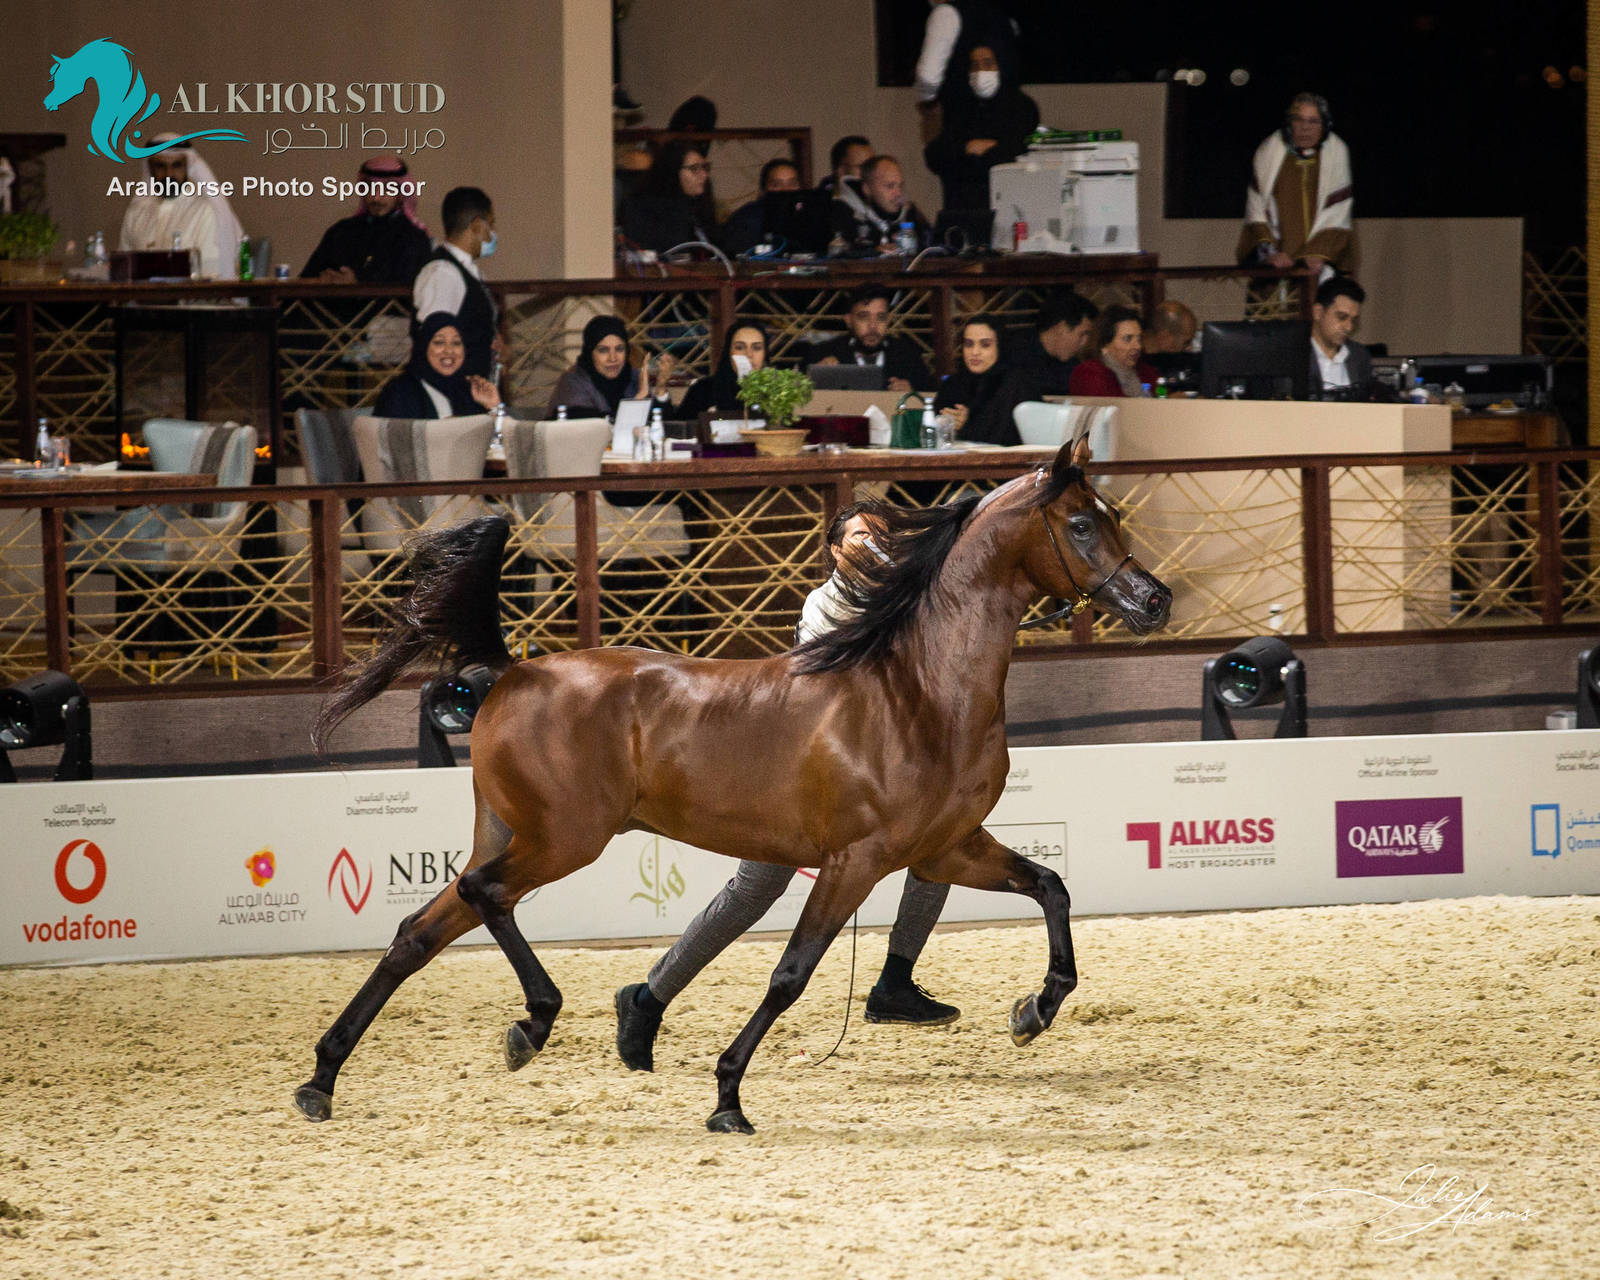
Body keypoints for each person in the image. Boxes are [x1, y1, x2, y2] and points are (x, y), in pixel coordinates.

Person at [613, 499, 961, 1072]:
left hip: (876, 771)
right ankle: (648, 998)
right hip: (796, 776)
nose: (871, 544)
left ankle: (895, 981)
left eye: (879, 536)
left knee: (942, 846)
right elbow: (847, 685)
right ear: (834, 550)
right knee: (754, 890)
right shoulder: (822, 606)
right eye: (857, 537)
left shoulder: (909, 603)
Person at [1237, 93, 1354, 281]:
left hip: (1323, 266)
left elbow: (1338, 213)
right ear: (1289, 123)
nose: (1305, 128)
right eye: (1298, 120)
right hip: (1277, 268)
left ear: (1324, 126)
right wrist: (1270, 253)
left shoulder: (1336, 153)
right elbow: (1256, 211)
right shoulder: (1269, 152)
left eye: (1313, 121)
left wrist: (1319, 252)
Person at [922, 43, 1039, 218]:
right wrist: (967, 148)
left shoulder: (1022, 108)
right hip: (961, 211)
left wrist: (972, 155)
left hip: (1009, 210)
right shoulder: (959, 107)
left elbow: (1017, 153)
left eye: (987, 63)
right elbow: (936, 155)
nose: (980, 71)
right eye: (974, 65)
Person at [116, 135, 244, 279]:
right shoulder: (137, 212)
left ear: (188, 167)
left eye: (176, 165)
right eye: (160, 166)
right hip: (142, 299)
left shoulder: (206, 211)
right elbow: (122, 271)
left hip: (195, 299)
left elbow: (211, 276)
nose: (168, 174)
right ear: (150, 169)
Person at [301, 155, 431, 285]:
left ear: (401, 194)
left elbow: (409, 288)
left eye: (388, 189)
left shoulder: (414, 238)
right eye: (371, 188)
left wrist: (357, 284)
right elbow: (306, 280)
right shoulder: (341, 232)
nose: (376, 198)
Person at [412, 186, 499, 379]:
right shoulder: (443, 274)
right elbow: (434, 343)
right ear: (477, 226)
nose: (492, 233)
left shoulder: (467, 271)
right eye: (490, 225)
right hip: (454, 396)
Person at [914, 0, 1022, 142]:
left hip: (960, 125)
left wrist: (928, 103)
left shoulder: (945, 14)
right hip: (1007, 122)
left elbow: (928, 76)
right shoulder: (1004, 18)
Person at [373, 312, 502, 419]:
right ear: (423, 348)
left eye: (456, 343)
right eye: (439, 342)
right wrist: (446, 428)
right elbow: (391, 442)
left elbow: (496, 444)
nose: (449, 350)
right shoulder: (400, 391)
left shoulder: (470, 391)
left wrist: (493, 407)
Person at [544, 315, 675, 420]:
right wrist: (638, 399)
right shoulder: (573, 382)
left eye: (619, 349)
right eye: (603, 350)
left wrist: (661, 388)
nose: (613, 358)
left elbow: (662, 426)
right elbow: (597, 432)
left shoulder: (632, 377)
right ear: (590, 353)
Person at [810, 284, 932, 392]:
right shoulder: (825, 353)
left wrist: (913, 394)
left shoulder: (908, 356)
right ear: (849, 321)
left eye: (880, 318)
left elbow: (931, 400)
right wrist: (815, 378)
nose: (873, 326)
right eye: (863, 317)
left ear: (888, 320)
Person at [934, 318, 1032, 446]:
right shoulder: (953, 384)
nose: (975, 352)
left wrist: (967, 425)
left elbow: (1006, 438)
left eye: (985, 345)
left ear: (1000, 346)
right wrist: (946, 423)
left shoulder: (1017, 384)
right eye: (969, 344)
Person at [619, 140, 720, 252]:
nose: (704, 175)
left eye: (705, 167)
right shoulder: (643, 207)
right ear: (673, 170)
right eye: (694, 169)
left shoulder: (700, 205)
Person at [830, 155, 931, 255]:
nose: (898, 193)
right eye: (890, 186)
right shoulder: (842, 213)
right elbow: (838, 254)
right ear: (867, 189)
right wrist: (874, 252)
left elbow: (930, 248)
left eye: (900, 186)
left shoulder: (909, 213)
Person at [1007, 290, 1098, 396]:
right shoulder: (1015, 357)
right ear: (1062, 328)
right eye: (1082, 334)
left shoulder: (1073, 364)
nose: (1085, 342)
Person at [673, 322, 770, 420]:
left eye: (757, 348)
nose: (749, 354)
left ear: (765, 354)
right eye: (740, 347)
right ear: (728, 352)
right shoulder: (703, 390)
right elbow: (678, 429)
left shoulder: (776, 390)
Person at [1068, 305, 1160, 398]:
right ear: (1104, 345)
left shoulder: (1145, 371)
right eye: (1127, 339)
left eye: (1139, 339)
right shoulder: (1089, 374)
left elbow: (1163, 397)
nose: (1138, 346)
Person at [719, 157, 803, 256]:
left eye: (792, 184)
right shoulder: (746, 218)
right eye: (776, 185)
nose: (785, 189)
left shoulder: (808, 214)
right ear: (763, 190)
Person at [1308, 276, 1373, 399]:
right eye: (1341, 317)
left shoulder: (1359, 356)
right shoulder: (1293, 354)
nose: (1349, 327)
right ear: (1318, 312)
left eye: (1353, 320)